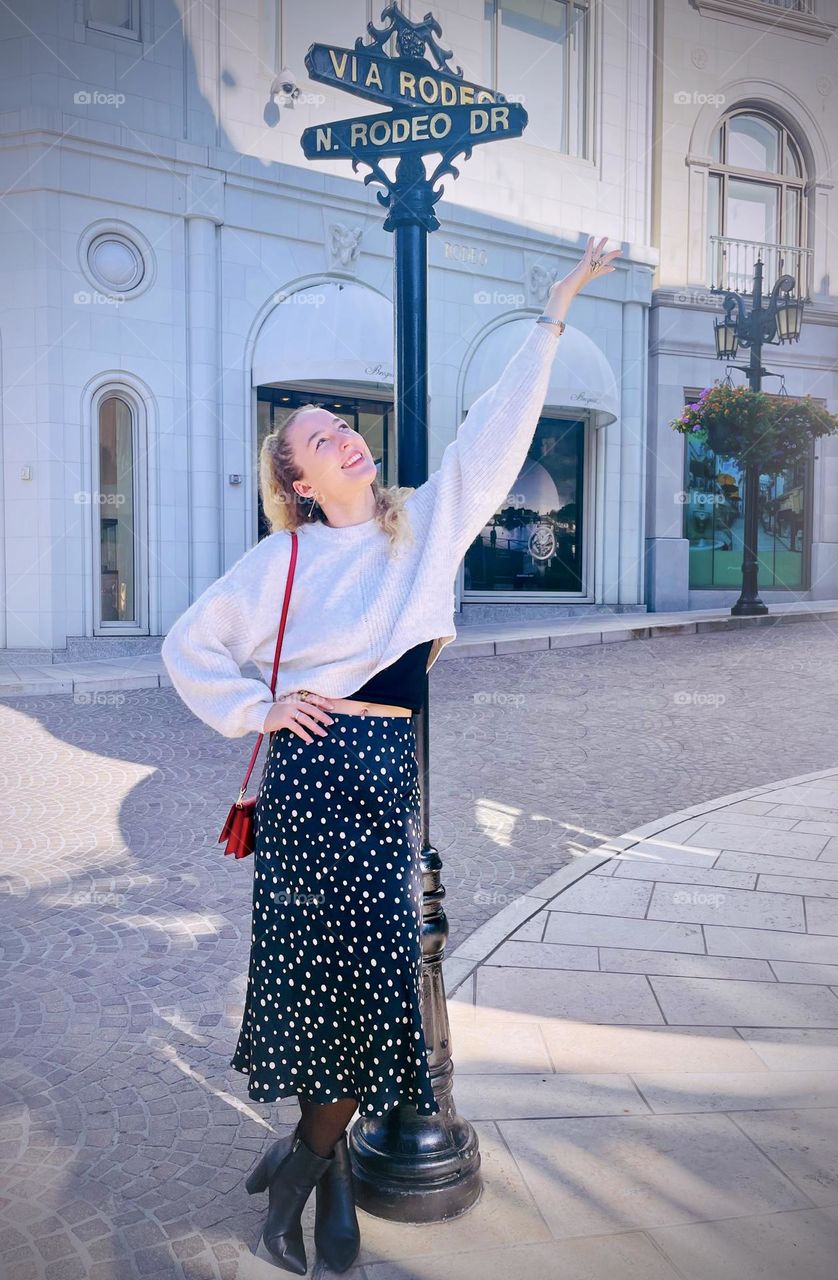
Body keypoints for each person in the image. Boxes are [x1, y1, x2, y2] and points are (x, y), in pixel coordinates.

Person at [161, 234, 620, 1274]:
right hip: (312, 778)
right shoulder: (279, 555)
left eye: (346, 427)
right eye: (322, 435)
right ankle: (320, 1183)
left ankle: (302, 1163)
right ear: (295, 470)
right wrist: (258, 707)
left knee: (372, 990)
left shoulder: (421, 525)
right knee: (325, 985)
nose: (347, 439)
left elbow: (491, 439)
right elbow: (187, 643)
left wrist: (553, 313)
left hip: (384, 782)